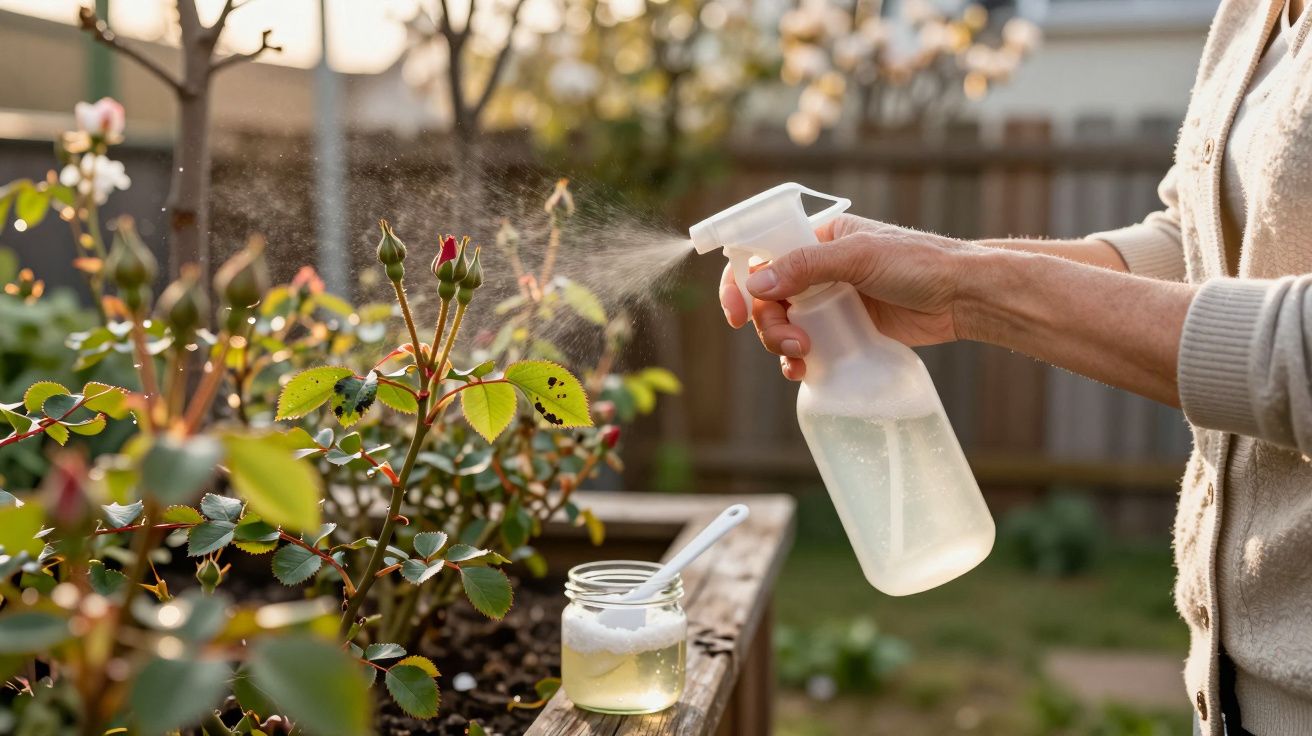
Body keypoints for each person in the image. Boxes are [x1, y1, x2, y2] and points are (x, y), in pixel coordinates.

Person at [720, 1, 1312, 734]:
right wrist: (949, 269)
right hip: (1226, 694)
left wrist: (974, 286)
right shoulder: (1250, 12)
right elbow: (1197, 245)